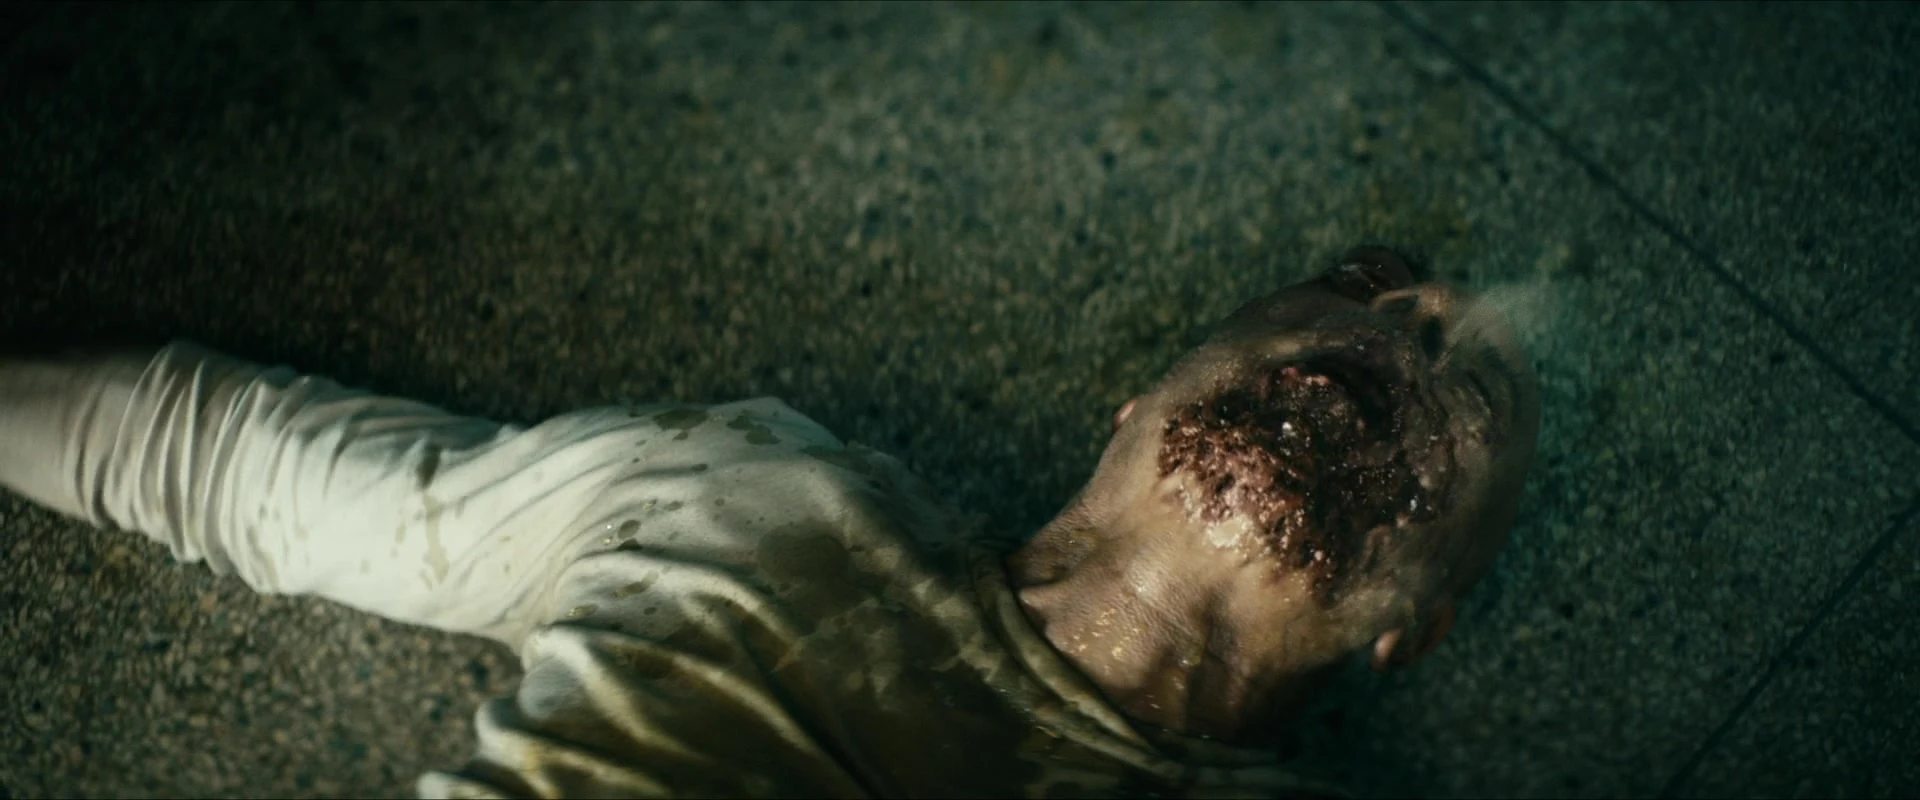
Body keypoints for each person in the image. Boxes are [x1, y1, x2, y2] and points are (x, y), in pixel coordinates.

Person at [0, 246, 1538, 799]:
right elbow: (222, 462)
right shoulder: (755, 506)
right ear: (1134, 405)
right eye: (1368, 283)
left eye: (1482, 389)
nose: (1425, 316)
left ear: (1413, 634)